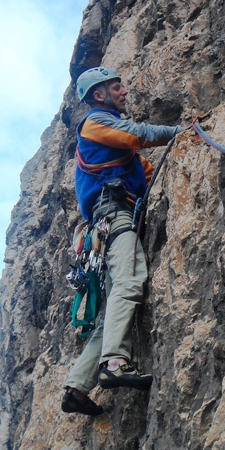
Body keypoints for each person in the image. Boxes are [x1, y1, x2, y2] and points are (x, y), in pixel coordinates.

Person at [61, 66, 183, 417]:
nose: (125, 92)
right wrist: (182, 131)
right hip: (114, 217)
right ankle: (114, 363)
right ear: (99, 95)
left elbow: (146, 172)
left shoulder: (120, 155)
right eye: (118, 88)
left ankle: (77, 387)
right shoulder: (94, 123)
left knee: (112, 307)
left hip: (107, 222)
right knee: (130, 281)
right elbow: (137, 134)